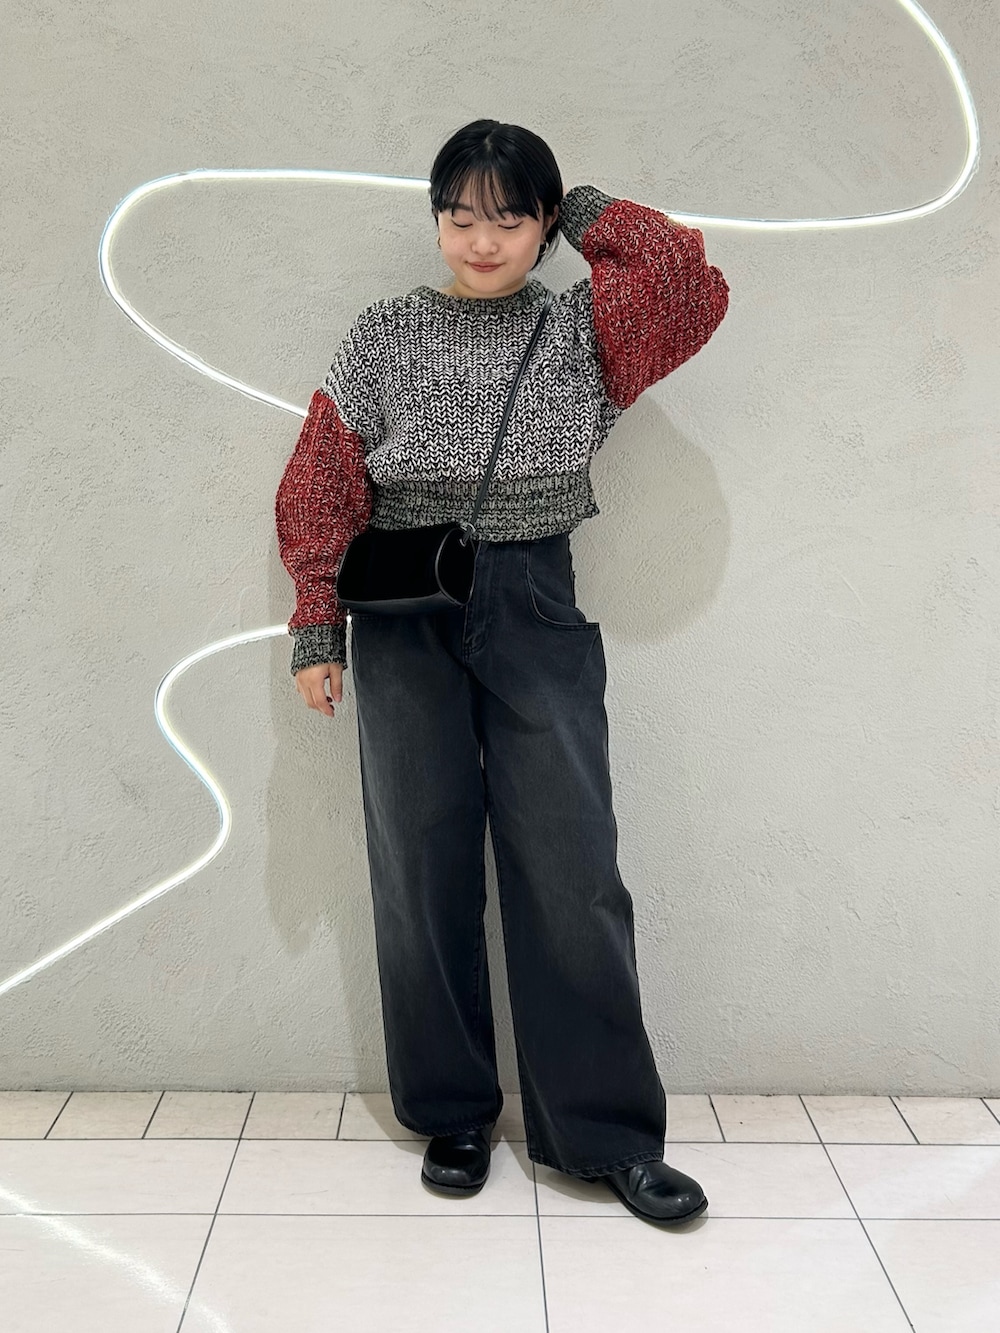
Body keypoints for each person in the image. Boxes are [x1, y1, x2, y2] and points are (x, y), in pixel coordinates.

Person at [275, 118, 730, 1228]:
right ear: (434, 220)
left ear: (544, 225)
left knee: (572, 866)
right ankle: (454, 1113)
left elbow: (688, 279)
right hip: (404, 611)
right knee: (417, 859)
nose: (481, 240)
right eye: (459, 215)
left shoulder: (589, 329)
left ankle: (606, 1134)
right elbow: (324, 473)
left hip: (533, 596)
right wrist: (315, 623)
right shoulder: (384, 332)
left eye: (510, 217)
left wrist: (586, 208)